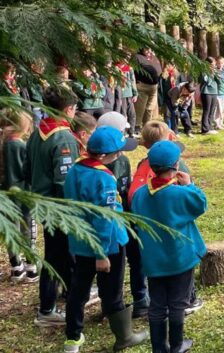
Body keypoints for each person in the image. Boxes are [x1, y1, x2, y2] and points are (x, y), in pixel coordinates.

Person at [62, 126, 145, 353]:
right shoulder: (104, 178)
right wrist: (101, 254)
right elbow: (104, 219)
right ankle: (125, 336)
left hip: (80, 242)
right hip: (108, 246)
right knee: (112, 293)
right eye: (119, 151)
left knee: (78, 290)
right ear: (111, 154)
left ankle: (73, 338)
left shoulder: (75, 168)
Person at [132, 140, 207, 353]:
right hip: (180, 260)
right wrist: (189, 184)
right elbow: (200, 203)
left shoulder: (140, 195)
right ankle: (176, 345)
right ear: (176, 165)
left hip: (154, 261)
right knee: (177, 304)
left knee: (156, 305)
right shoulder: (180, 193)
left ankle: (159, 348)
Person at [27, 84, 82, 327]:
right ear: (69, 109)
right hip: (58, 207)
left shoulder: (38, 130)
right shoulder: (63, 137)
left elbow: (28, 167)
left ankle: (71, 291)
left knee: (62, 250)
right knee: (55, 256)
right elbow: (64, 179)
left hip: (41, 200)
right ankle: (47, 309)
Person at [98, 112, 149, 319]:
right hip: (109, 223)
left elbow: (126, 190)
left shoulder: (124, 160)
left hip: (126, 218)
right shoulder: (102, 164)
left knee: (135, 258)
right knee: (113, 267)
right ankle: (112, 305)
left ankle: (140, 299)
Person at [1, 108, 38, 283]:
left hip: (5, 196)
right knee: (27, 229)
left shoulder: (3, 144)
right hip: (23, 195)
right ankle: (31, 267)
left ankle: (16, 266)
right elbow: (29, 171)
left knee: (11, 230)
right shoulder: (21, 146)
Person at [134, 47, 163, 130]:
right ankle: (137, 126)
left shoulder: (153, 57)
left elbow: (159, 69)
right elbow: (135, 70)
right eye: (146, 49)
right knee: (140, 108)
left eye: (150, 49)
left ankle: (147, 125)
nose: (149, 51)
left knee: (150, 108)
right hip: (142, 85)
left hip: (154, 86)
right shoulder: (137, 57)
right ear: (141, 49)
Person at [114, 57, 138, 137]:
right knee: (123, 114)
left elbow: (132, 81)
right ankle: (122, 132)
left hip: (129, 94)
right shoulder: (116, 68)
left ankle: (131, 131)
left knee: (132, 114)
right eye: (125, 57)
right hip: (121, 95)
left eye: (128, 57)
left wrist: (135, 93)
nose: (126, 59)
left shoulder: (129, 68)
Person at [198, 58, 219, 135]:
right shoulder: (204, 71)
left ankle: (210, 127)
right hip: (206, 92)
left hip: (214, 91)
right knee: (206, 110)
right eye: (213, 64)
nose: (215, 66)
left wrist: (216, 74)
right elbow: (206, 81)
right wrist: (210, 73)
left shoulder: (215, 71)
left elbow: (220, 81)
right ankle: (204, 129)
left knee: (212, 110)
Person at [213, 56, 224, 130]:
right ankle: (217, 124)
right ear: (216, 63)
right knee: (218, 109)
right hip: (218, 93)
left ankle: (221, 123)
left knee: (223, 109)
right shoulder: (215, 71)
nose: (220, 64)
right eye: (219, 63)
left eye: (222, 63)